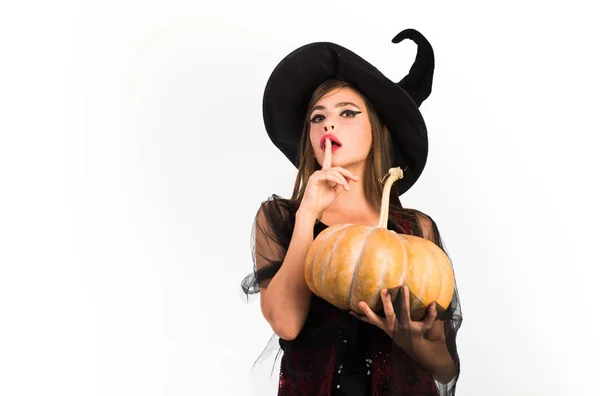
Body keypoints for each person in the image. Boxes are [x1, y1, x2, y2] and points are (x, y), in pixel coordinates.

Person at [241, 28, 463, 396]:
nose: (329, 124)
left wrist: (415, 343)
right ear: (309, 138)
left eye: (347, 113)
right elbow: (286, 322)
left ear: (377, 130)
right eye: (317, 117)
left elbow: (444, 365)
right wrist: (309, 212)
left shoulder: (416, 229)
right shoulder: (280, 217)